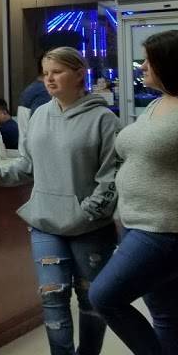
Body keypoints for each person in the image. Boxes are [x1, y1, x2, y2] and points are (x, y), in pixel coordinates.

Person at [0, 47, 120, 355]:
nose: (49, 79)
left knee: (91, 300)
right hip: (45, 223)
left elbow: (111, 177)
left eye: (57, 72)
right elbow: (27, 166)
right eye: (46, 73)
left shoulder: (103, 119)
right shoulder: (40, 115)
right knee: (52, 297)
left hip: (90, 227)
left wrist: (87, 212)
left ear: (79, 74)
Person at [89, 30, 178, 354]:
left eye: (149, 60)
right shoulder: (156, 104)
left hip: (164, 228)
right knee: (167, 315)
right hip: (135, 222)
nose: (142, 66)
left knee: (104, 297)